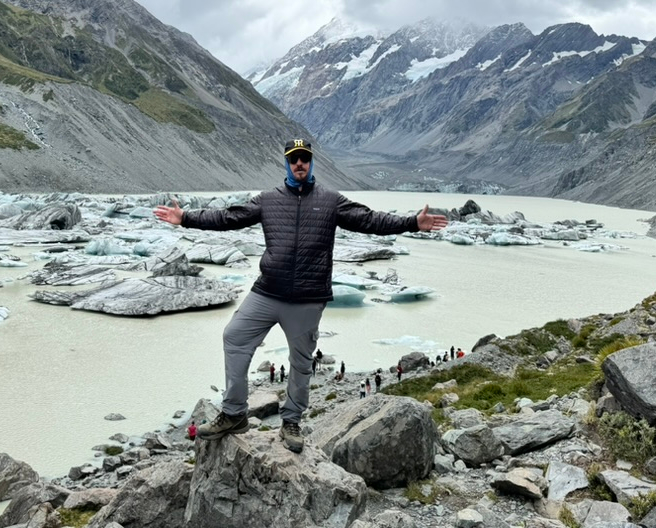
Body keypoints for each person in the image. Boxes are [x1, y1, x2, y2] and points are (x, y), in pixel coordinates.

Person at [154, 137, 447, 453]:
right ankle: (234, 413)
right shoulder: (268, 200)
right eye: (294, 159)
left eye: (304, 158)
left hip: (307, 298)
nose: (299, 164)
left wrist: (412, 223)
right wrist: (186, 218)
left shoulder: (331, 201)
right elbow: (229, 217)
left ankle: (291, 422)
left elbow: (371, 220)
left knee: (301, 362)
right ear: (286, 163)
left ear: (311, 162)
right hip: (267, 291)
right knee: (235, 336)